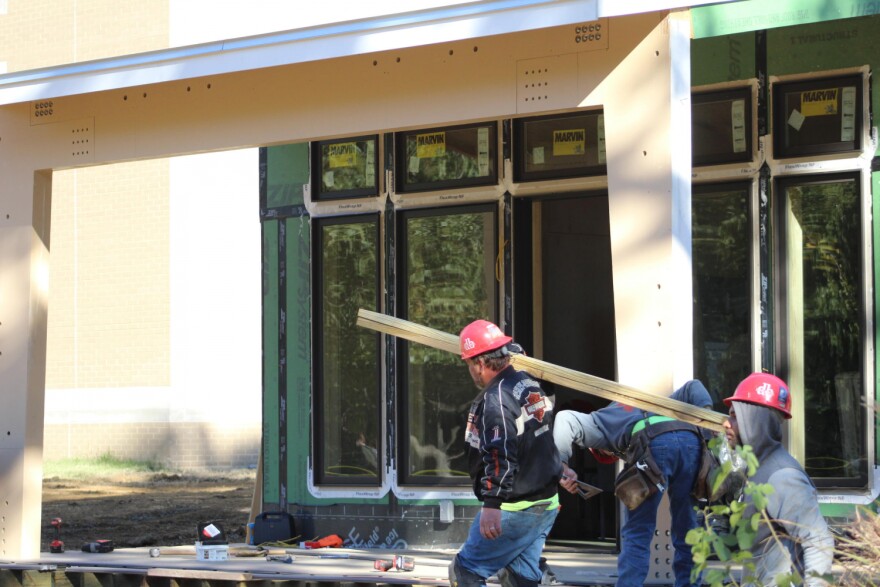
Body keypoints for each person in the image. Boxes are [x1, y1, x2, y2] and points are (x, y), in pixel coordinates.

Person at [553, 379, 713, 587]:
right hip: (691, 441)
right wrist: (710, 421)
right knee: (688, 529)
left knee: (637, 531)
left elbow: (565, 418)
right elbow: (694, 386)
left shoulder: (600, 422)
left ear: (600, 448)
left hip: (653, 444)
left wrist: (562, 465)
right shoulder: (653, 403)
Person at [449, 319, 562, 587]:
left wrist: (491, 505)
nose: (471, 372)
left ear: (479, 363)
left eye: (469, 365)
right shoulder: (527, 383)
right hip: (546, 502)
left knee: (464, 572)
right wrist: (559, 468)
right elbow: (541, 432)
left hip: (515, 506)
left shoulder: (496, 400)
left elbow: (500, 454)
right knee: (520, 578)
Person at [722, 372, 834, 587]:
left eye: (735, 416)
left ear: (754, 420)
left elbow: (818, 541)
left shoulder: (782, 476)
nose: (726, 424)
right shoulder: (758, 469)